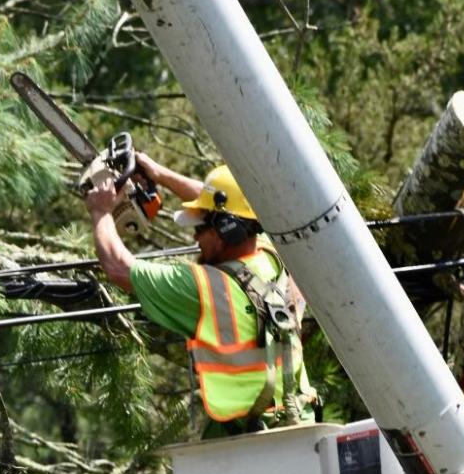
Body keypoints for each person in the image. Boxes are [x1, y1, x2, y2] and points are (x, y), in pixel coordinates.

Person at [86, 155, 316, 434]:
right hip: (300, 421)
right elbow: (237, 208)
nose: (195, 238)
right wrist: (159, 174)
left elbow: (119, 268)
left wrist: (101, 212)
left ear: (226, 231)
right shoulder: (275, 253)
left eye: (199, 228)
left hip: (249, 436)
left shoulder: (202, 287)